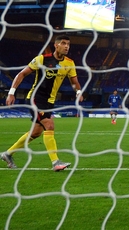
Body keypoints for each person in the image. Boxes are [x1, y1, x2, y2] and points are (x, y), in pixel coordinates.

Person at [1, 34, 82, 171]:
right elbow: (21, 74)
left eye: (68, 44)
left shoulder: (69, 63)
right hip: (36, 98)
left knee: (36, 132)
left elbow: (74, 82)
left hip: (50, 101)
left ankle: (8, 154)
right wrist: (11, 93)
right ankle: (55, 162)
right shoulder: (42, 59)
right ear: (56, 45)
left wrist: (78, 93)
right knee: (49, 125)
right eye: (63, 43)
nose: (66, 46)